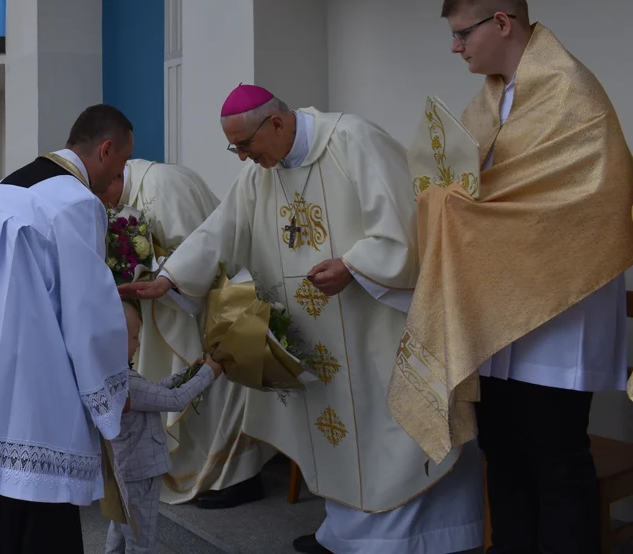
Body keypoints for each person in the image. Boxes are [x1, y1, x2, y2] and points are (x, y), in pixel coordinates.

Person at [121, 85, 484, 554]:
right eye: (234, 148)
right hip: (322, 336)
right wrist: (169, 278)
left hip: (377, 327)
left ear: (276, 123)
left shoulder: (353, 140)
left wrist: (353, 266)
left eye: (245, 146)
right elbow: (222, 228)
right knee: (335, 430)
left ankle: (413, 540)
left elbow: (406, 225)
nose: (242, 158)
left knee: (392, 432)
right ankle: (345, 534)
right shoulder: (262, 174)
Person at [387, 0, 633, 554]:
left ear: (502, 22)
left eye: (461, 33)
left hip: (558, 309)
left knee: (556, 456)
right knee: (501, 451)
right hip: (495, 307)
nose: (455, 47)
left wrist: (468, 208)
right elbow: (473, 189)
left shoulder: (572, 91)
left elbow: (596, 200)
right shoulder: (492, 98)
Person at [0, 104, 134, 553]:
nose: (121, 173)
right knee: (27, 513)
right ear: (106, 149)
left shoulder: (2, 190)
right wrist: (111, 392)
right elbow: (87, 316)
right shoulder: (76, 202)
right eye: (122, 162)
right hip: (27, 394)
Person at [100, 160, 275, 508]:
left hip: (209, 304)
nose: (103, 204)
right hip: (168, 308)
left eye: (100, 190)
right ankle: (196, 469)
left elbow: (206, 249)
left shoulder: (165, 185)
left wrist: (150, 271)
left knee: (218, 394)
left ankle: (237, 476)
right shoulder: (125, 193)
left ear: (113, 168)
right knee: (186, 388)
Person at [106, 302, 219, 554]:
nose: (138, 343)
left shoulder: (110, 374)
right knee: (140, 539)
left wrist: (189, 373)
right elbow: (173, 400)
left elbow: (155, 391)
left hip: (123, 469)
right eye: (134, 337)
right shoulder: (127, 382)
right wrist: (209, 373)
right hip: (139, 472)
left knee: (120, 530)